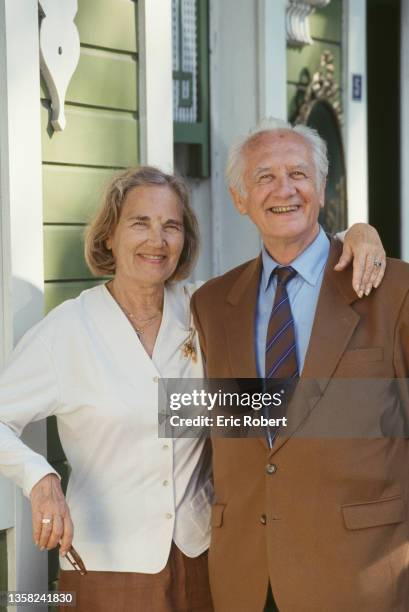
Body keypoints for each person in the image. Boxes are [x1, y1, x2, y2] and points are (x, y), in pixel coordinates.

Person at [0, 165, 384, 611]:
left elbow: (276, 401)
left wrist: (359, 233)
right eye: (140, 223)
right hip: (105, 567)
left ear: (185, 241)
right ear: (109, 235)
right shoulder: (67, 331)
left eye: (171, 226)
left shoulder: (207, 308)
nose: (156, 240)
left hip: (205, 560)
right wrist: (39, 478)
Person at [190, 119, 409, 612]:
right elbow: (225, 428)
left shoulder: (393, 291)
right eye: (264, 177)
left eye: (298, 174)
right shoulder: (211, 303)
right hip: (249, 578)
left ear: (321, 188)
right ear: (238, 198)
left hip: (365, 576)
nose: (283, 189)